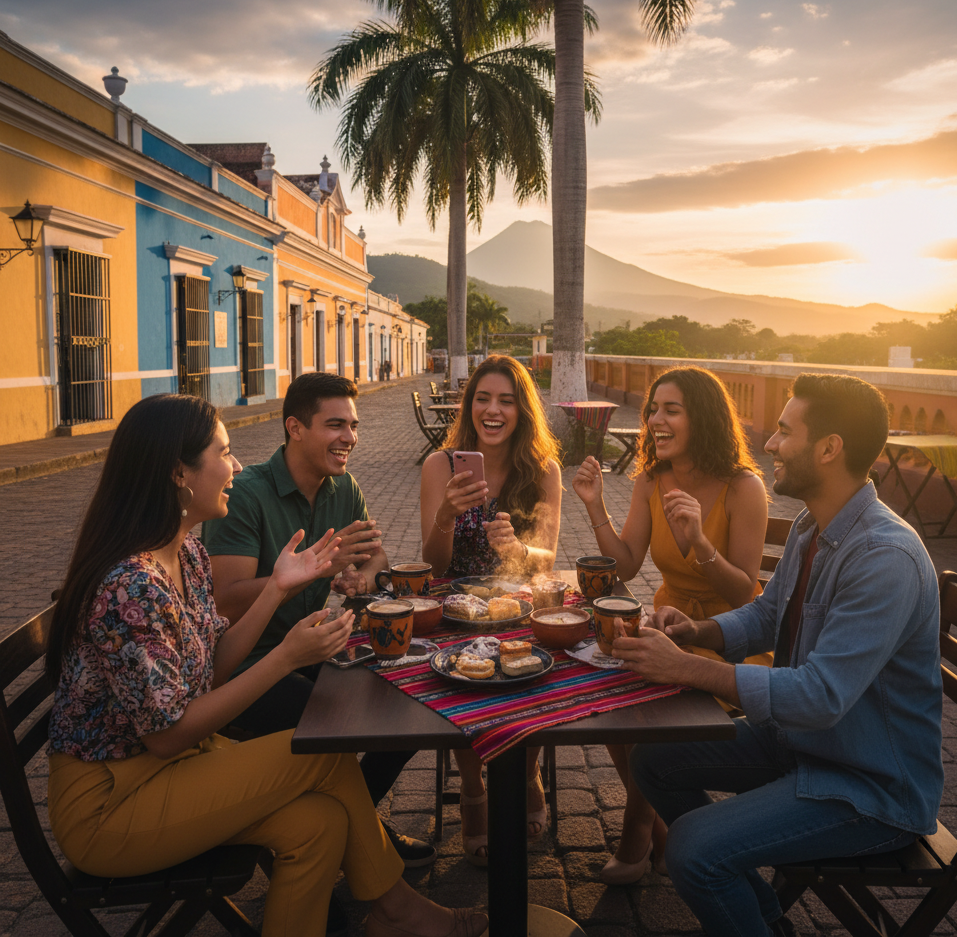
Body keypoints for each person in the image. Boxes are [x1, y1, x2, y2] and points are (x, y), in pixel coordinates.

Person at [46, 394, 487, 937]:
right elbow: (166, 736)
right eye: (223, 453)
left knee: (319, 824)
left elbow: (209, 671)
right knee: (322, 755)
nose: (234, 465)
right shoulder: (130, 586)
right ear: (177, 472)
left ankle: (389, 911)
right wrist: (285, 658)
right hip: (111, 806)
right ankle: (396, 910)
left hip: (170, 771)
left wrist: (277, 589)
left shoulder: (183, 554)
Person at [620, 373, 943, 937]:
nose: (768, 444)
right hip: (807, 746)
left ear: (828, 448)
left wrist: (689, 667)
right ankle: (764, 921)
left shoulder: (884, 557)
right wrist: (695, 629)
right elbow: (768, 615)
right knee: (654, 759)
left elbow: (820, 697)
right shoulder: (812, 524)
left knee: (695, 849)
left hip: (869, 785)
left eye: (784, 432)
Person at [202, 373, 435, 870]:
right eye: (335, 425)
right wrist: (316, 567)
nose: (348, 437)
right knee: (342, 726)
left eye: (352, 425)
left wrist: (364, 577)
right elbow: (224, 602)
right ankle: (343, 843)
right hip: (246, 666)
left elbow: (376, 557)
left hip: (311, 649)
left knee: (412, 709)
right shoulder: (244, 495)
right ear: (295, 428)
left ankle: (356, 827)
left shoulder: (341, 486)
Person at [572, 365, 770, 884]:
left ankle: (639, 836)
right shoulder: (652, 479)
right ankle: (659, 832)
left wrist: (700, 544)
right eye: (653, 409)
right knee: (612, 692)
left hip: (730, 637)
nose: (654, 420)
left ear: (702, 418)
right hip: (667, 621)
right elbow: (628, 565)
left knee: (642, 708)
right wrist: (594, 507)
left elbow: (745, 592)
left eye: (670, 410)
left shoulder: (743, 486)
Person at [420, 355, 562, 866]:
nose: (493, 410)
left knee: (538, 669)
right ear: (469, 404)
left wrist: (520, 553)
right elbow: (434, 567)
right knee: (458, 674)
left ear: (523, 410)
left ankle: (527, 775)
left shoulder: (544, 470)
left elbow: (548, 557)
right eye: (483, 398)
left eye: (506, 400)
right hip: (456, 604)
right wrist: (445, 516)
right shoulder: (441, 466)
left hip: (519, 601)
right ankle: (473, 788)